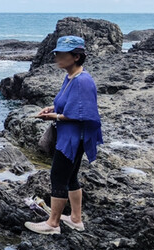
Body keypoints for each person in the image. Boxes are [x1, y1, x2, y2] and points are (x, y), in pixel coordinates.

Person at [25, 36, 103, 235]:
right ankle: (76, 219)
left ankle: (53, 224)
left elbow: (84, 113)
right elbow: (69, 103)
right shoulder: (70, 77)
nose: (57, 57)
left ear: (76, 56)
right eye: (57, 53)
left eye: (62, 54)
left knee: (58, 176)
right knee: (71, 177)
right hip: (68, 135)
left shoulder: (83, 81)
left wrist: (55, 116)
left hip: (74, 138)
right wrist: (53, 108)